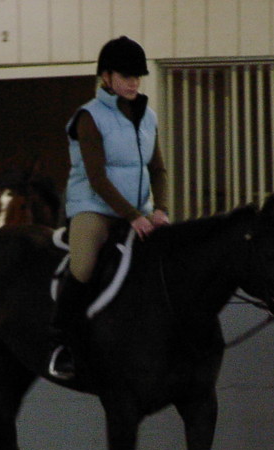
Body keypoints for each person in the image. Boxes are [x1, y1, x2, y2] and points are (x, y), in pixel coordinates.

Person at [48, 36, 169, 380]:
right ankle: (62, 341)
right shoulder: (89, 117)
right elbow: (97, 178)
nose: (134, 83)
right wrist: (133, 216)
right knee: (84, 266)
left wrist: (160, 209)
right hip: (94, 208)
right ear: (106, 77)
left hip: (139, 211)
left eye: (137, 76)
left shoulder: (148, 117)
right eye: (126, 76)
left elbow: (158, 170)